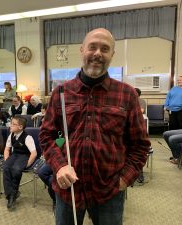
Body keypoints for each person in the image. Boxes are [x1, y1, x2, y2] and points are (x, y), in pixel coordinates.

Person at [39, 28, 150, 225]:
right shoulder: (61, 93)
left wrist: (125, 178)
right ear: (82, 50)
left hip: (109, 191)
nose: (98, 53)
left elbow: (140, 144)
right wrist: (60, 165)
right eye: (93, 47)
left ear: (112, 55)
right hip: (69, 189)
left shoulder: (127, 94)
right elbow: (49, 135)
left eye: (105, 49)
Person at [3, 115, 37, 210]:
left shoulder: (27, 137)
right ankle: (11, 195)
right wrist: (7, 160)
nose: (10, 126)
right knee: (6, 168)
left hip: (24, 156)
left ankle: (12, 195)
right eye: (11, 123)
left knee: (16, 170)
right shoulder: (11, 135)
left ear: (20, 127)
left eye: (13, 124)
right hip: (14, 155)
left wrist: (26, 165)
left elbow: (34, 153)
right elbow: (6, 149)